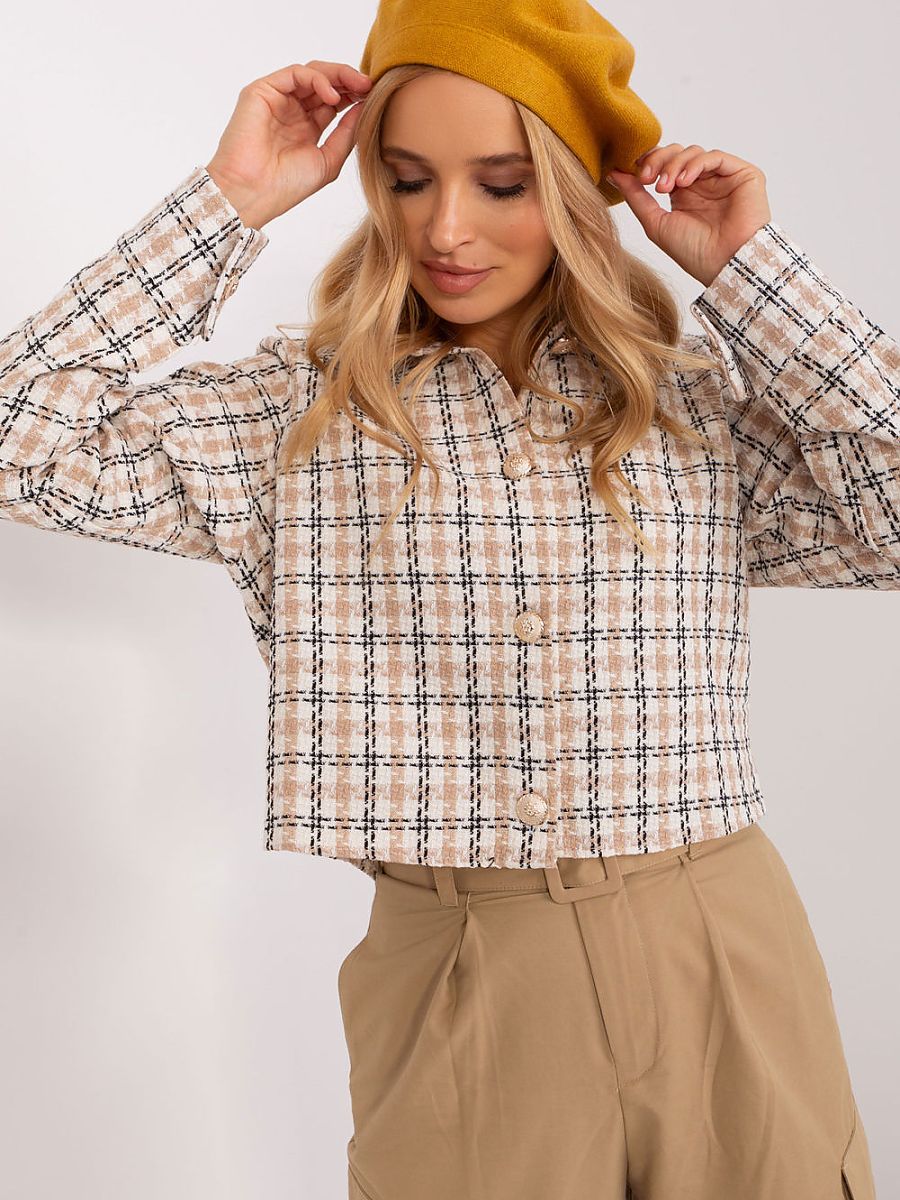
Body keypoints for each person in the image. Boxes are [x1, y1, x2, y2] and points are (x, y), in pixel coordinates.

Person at [1, 0, 893, 1195]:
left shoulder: (689, 410)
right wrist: (228, 203)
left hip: (725, 947)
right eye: (409, 179)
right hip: (464, 973)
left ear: (574, 192)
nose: (446, 228)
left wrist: (756, 277)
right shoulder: (294, 418)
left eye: (504, 184)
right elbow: (20, 443)